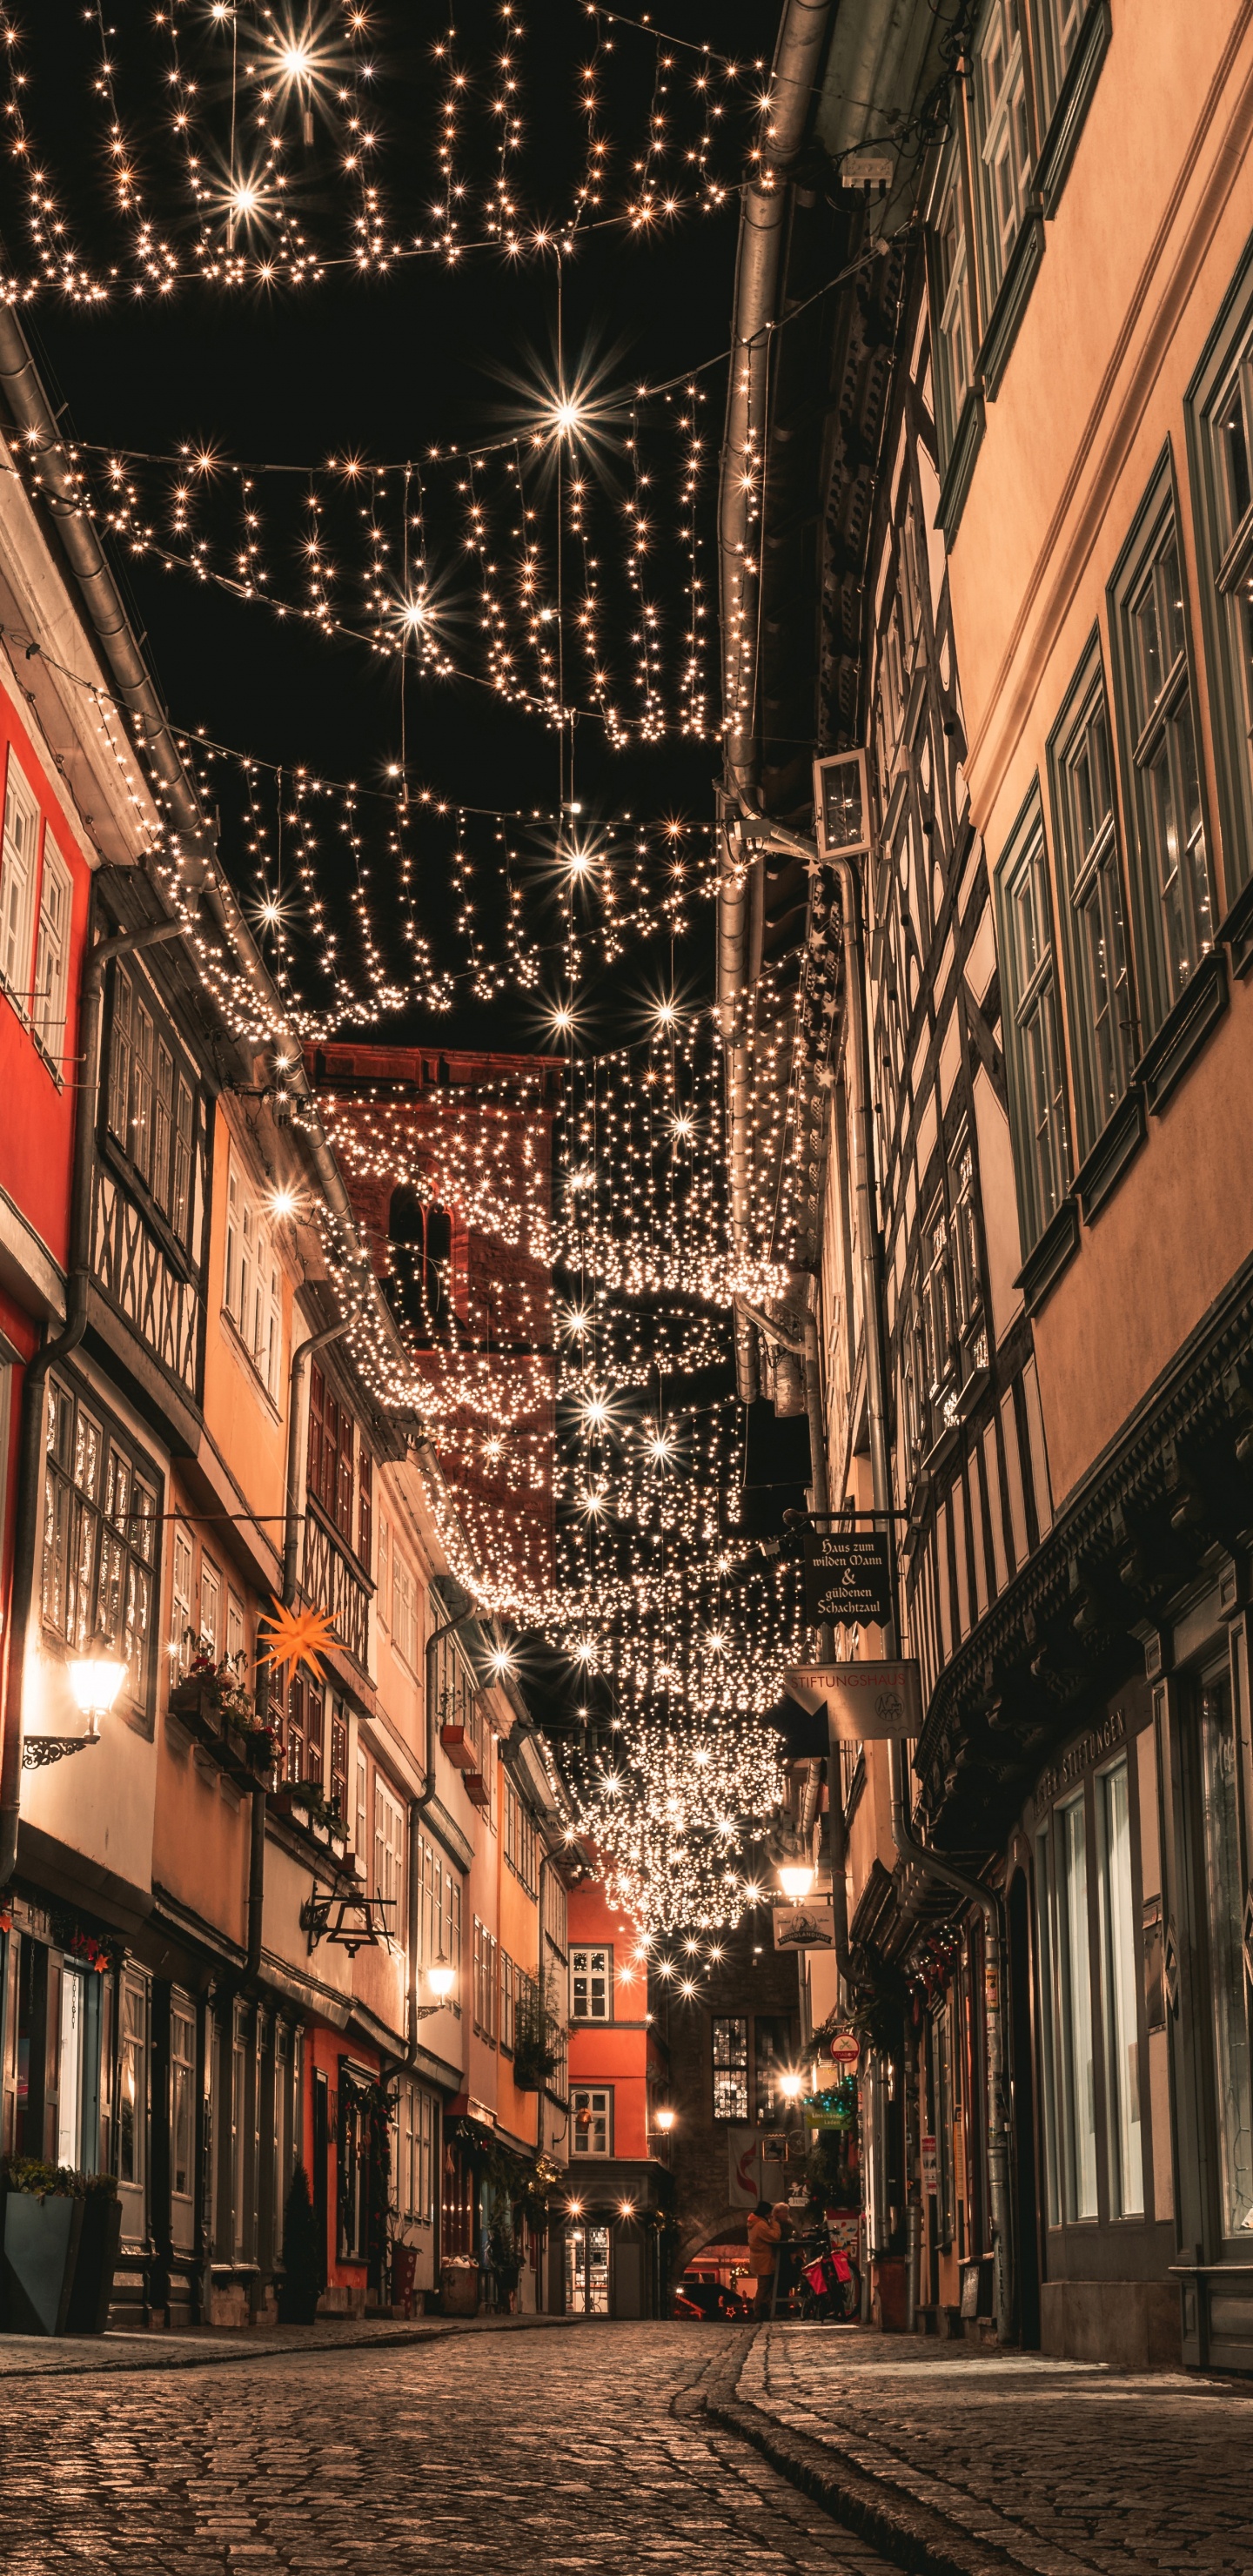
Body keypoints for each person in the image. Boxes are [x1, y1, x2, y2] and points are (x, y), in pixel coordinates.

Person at [745, 2198, 782, 2313]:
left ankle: (762, 2310)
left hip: (760, 2260)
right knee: (764, 2287)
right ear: (766, 2213)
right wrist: (775, 2223)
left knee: (763, 2286)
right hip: (764, 2261)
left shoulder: (754, 2223)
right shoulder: (761, 2225)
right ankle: (759, 2311)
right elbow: (775, 2237)